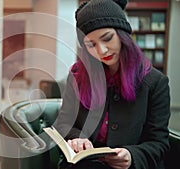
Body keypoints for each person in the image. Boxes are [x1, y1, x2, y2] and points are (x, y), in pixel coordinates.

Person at [54, 0, 171, 168]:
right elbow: (63, 124)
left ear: (123, 34)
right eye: (91, 45)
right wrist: (78, 140)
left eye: (107, 38)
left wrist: (132, 156)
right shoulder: (78, 76)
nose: (102, 50)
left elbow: (159, 143)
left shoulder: (154, 82)